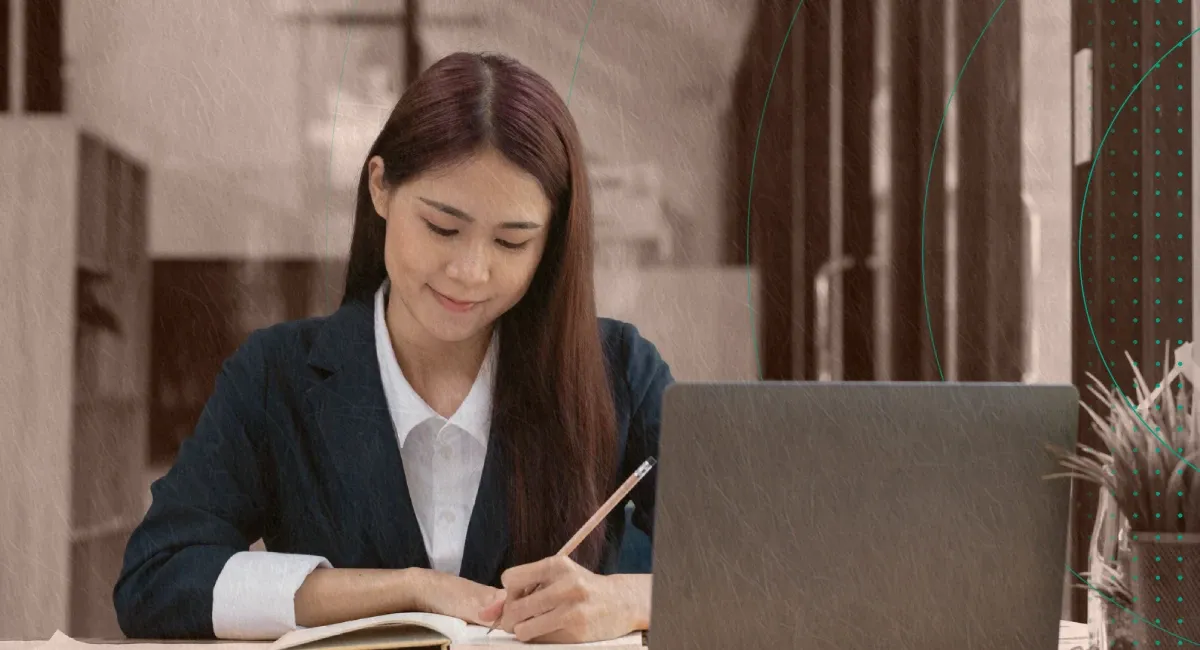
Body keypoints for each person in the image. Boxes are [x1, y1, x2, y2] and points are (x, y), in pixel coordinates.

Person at [112, 51, 673, 644]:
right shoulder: (277, 377)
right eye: (442, 228)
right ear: (381, 187)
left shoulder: (618, 371)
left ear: (551, 242)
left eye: (512, 243)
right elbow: (157, 579)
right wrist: (407, 589)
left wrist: (627, 598)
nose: (469, 271)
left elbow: (763, 572)